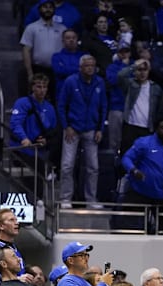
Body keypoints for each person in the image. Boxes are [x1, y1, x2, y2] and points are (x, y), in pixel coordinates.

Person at [57, 55, 107, 208]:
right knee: (67, 165)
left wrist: (100, 129)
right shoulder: (71, 81)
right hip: (73, 129)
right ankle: (65, 198)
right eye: (87, 65)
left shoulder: (100, 82)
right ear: (80, 67)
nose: (90, 68)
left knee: (93, 167)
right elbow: (61, 106)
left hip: (92, 129)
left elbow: (103, 107)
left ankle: (91, 200)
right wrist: (66, 126)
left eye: (92, 65)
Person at [18, 0, 65, 100]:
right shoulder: (31, 28)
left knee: (55, 100)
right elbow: (26, 50)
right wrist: (30, 73)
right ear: (39, 9)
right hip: (38, 69)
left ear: (54, 10)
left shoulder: (62, 29)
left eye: (50, 7)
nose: (48, 9)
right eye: (45, 7)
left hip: (56, 71)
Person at [118, 58, 163, 156]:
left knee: (145, 158)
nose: (142, 73)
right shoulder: (130, 84)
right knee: (126, 155)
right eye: (139, 69)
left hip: (147, 128)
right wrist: (134, 66)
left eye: (144, 70)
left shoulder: (156, 88)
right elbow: (120, 75)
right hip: (130, 126)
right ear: (135, 71)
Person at [10, 73, 56, 160]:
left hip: (40, 150)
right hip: (23, 149)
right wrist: (24, 138)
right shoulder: (22, 103)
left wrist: (47, 140)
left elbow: (52, 130)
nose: (42, 90)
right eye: (39, 87)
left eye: (44, 87)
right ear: (33, 87)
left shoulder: (50, 108)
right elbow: (16, 123)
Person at [51, 30, 87, 103]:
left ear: (77, 40)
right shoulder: (56, 56)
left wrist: (66, 69)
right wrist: (80, 68)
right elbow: (59, 71)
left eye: (74, 38)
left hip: (82, 94)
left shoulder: (84, 55)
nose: (71, 40)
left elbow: (88, 71)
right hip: (62, 93)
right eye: (68, 38)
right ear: (63, 41)